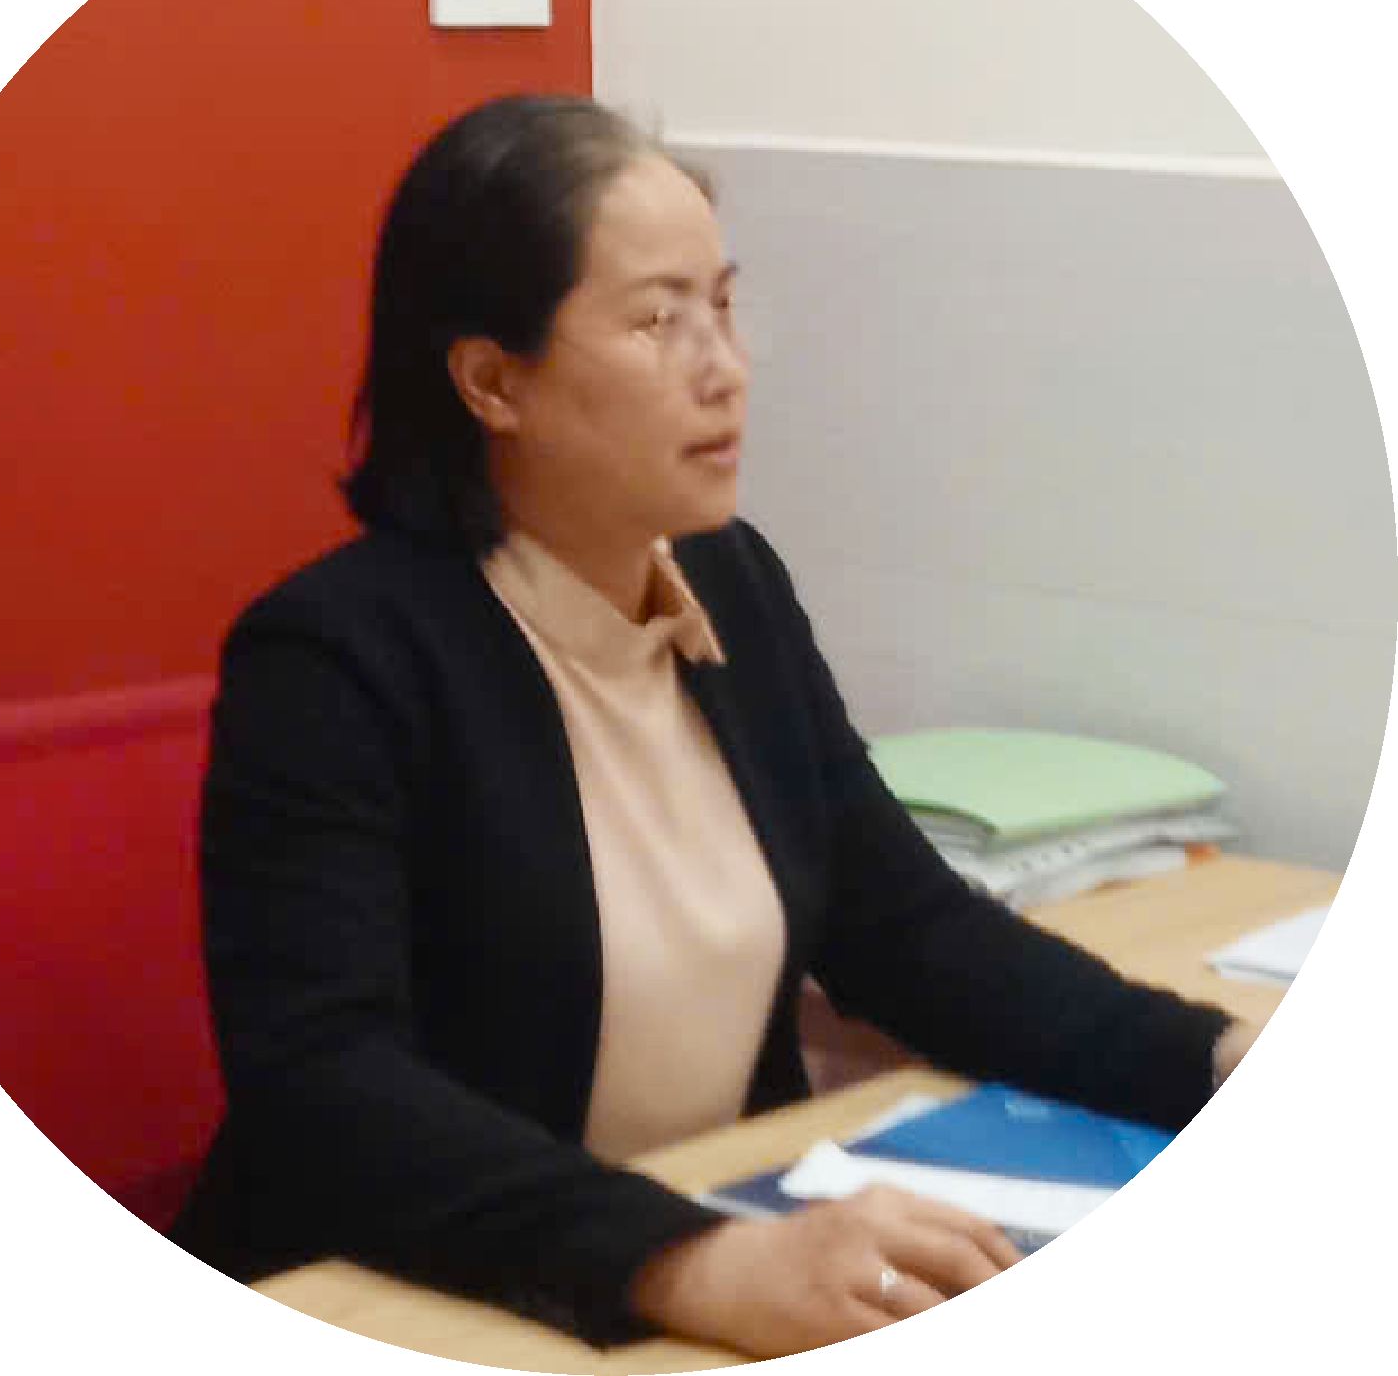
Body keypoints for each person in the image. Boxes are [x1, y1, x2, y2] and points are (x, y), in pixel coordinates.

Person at [169, 94, 1260, 1356]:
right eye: (656, 320)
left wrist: (1213, 1056)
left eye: (722, 306)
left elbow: (909, 930)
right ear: (492, 381)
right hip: (416, 1291)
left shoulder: (729, 581)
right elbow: (325, 1085)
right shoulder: (333, 659)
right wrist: (685, 1260)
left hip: (702, 1234)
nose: (723, 366)